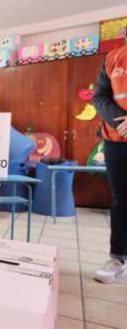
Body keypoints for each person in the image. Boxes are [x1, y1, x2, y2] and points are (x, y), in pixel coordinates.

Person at [93, 44, 127, 283]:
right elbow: (100, 96)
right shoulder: (114, 57)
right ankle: (117, 257)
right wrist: (120, 121)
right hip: (117, 139)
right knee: (120, 199)